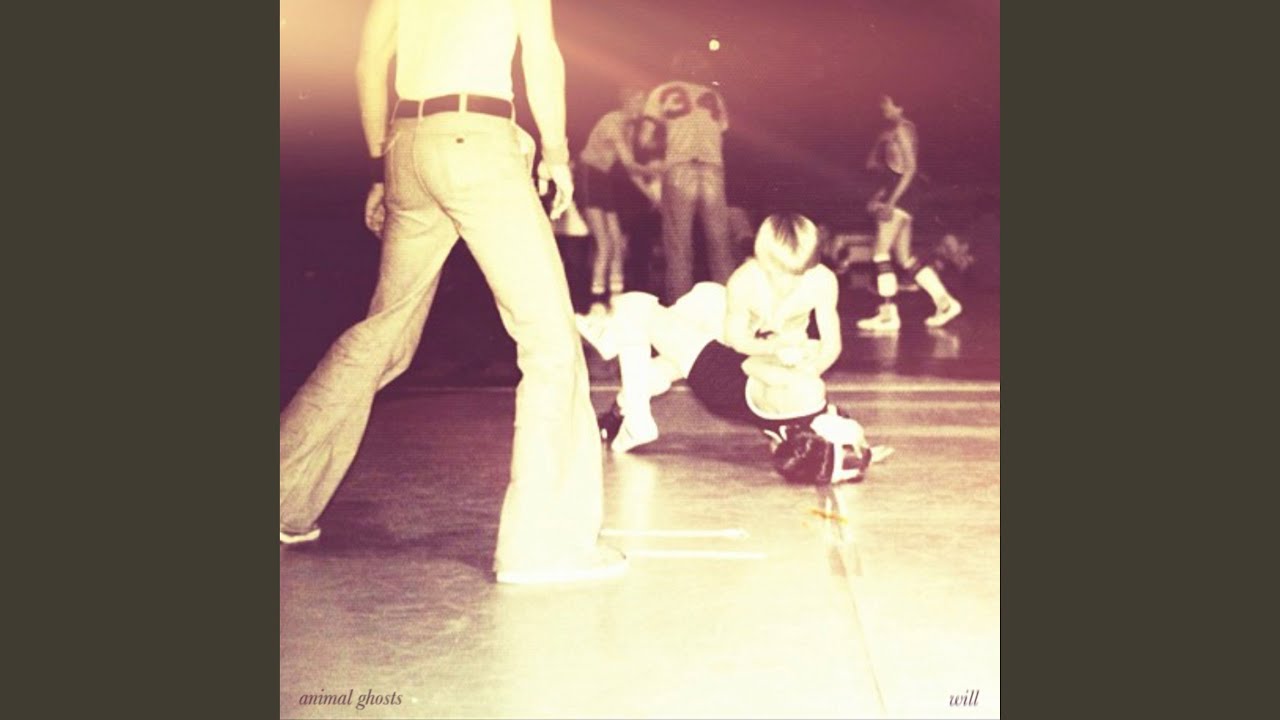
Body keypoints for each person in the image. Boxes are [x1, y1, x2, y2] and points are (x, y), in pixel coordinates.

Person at [279, 0, 627, 585]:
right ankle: (543, 546)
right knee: (549, 340)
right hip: (477, 143)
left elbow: (369, 62)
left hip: (408, 146)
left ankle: (283, 491)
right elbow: (541, 56)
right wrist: (557, 153)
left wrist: (380, 169)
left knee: (383, 333)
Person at [576, 213, 891, 484]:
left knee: (642, 308)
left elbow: (827, 346)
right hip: (744, 350)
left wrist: (800, 366)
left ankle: (619, 364)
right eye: (778, 273)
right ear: (761, 259)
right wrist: (787, 355)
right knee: (702, 308)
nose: (788, 283)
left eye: (798, 273)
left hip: (741, 367)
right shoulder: (746, 280)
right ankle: (622, 404)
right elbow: (739, 341)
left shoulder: (820, 282)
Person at [856, 94, 962, 331]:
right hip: (904, 196)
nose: (882, 107)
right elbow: (874, 167)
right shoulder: (895, 132)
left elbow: (911, 169)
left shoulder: (903, 129)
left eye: (887, 103)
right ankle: (945, 303)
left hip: (902, 197)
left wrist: (890, 202)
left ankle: (888, 316)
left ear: (900, 106)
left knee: (880, 253)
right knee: (905, 259)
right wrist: (880, 143)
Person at [636, 51, 732, 303]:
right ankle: (730, 306)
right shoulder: (714, 96)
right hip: (712, 169)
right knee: (720, 244)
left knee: (679, 246)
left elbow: (644, 139)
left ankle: (680, 308)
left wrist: (663, 148)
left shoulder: (662, 92)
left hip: (679, 169)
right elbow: (721, 132)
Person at [577, 86, 660, 312]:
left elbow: (631, 172)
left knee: (617, 242)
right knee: (604, 244)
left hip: (603, 179)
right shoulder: (613, 121)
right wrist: (660, 170)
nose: (643, 107)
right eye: (640, 101)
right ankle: (596, 298)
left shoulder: (629, 128)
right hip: (589, 175)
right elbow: (630, 164)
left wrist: (651, 196)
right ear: (629, 101)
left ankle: (616, 296)